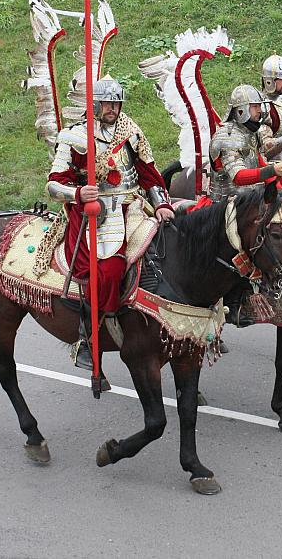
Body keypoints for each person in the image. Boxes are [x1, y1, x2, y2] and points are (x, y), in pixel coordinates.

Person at [47, 76, 174, 369]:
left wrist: (163, 204)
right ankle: (89, 336)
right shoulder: (75, 137)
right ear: (94, 104)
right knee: (108, 269)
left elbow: (149, 174)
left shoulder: (131, 132)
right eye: (107, 103)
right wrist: (78, 192)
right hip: (98, 213)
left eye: (116, 103)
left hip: (133, 206)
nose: (113, 108)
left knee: (167, 248)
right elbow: (53, 185)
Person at [207, 84, 282, 326]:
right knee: (237, 245)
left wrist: (280, 188)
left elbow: (261, 160)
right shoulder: (226, 137)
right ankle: (234, 301)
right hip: (225, 205)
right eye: (254, 108)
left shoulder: (249, 133)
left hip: (248, 202)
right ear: (240, 110)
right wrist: (270, 170)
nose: (258, 112)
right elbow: (239, 176)